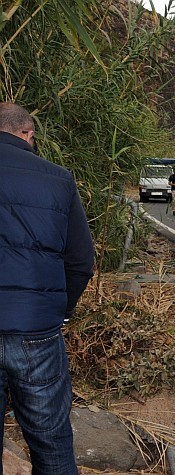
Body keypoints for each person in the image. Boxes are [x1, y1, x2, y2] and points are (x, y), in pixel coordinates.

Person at [0, 102, 95, 474]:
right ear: (27, 133)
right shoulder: (58, 178)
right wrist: (59, 310)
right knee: (51, 443)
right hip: (36, 332)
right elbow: (80, 261)